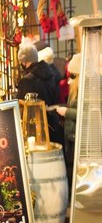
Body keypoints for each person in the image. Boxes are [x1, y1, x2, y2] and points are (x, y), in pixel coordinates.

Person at [17, 39, 63, 146]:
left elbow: (23, 109)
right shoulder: (52, 73)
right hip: (55, 126)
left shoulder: (27, 80)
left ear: (24, 61)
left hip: (38, 132)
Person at [55, 53, 80, 193]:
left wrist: (66, 112)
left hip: (76, 134)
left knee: (73, 167)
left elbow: (85, 112)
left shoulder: (82, 89)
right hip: (71, 133)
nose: (69, 80)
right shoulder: (75, 89)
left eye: (72, 76)